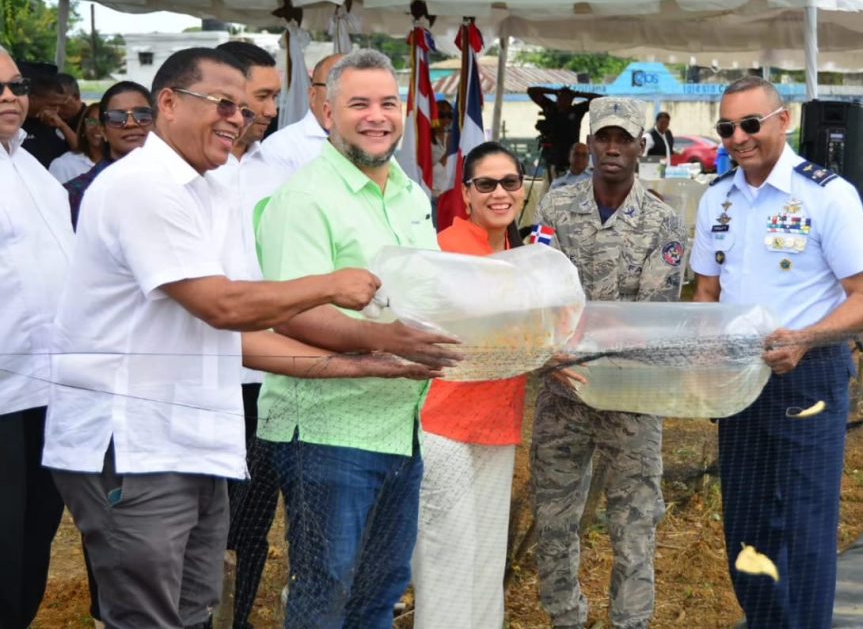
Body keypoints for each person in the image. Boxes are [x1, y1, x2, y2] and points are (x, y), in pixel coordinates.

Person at [42, 47, 432, 629]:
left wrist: (375, 363)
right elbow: (223, 306)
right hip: (131, 443)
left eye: (244, 110)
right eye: (221, 104)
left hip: (197, 440)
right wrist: (329, 284)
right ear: (167, 103)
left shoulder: (220, 184)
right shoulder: (142, 185)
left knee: (197, 611)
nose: (236, 119)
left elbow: (247, 335)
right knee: (145, 618)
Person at [254, 48, 462, 628]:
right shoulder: (303, 198)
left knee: (382, 591)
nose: (378, 116)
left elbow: (429, 293)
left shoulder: (411, 194)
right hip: (327, 428)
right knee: (327, 588)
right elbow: (292, 315)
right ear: (325, 112)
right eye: (359, 103)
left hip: (402, 425)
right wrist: (393, 340)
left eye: (389, 103)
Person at [692, 76, 863, 629]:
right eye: (727, 128)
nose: (738, 139)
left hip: (808, 377)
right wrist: (705, 366)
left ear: (784, 120)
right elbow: (706, 294)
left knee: (804, 526)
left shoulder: (827, 195)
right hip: (740, 379)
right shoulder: (716, 199)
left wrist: (805, 338)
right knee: (747, 526)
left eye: (751, 124)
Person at [531, 97, 686, 629]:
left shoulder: (664, 222)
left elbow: (647, 316)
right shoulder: (556, 208)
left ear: (643, 146)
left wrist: (572, 331)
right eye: (604, 138)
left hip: (631, 396)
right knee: (553, 522)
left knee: (634, 527)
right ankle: (566, 618)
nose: (613, 148)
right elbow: (539, 289)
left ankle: (630, 623)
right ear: (589, 144)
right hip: (563, 391)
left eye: (624, 139)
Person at [411, 142, 539, 628]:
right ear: (466, 194)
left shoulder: (521, 256)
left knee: (486, 560)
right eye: (486, 184)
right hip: (443, 425)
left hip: (497, 425)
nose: (500, 193)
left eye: (510, 182)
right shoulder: (443, 248)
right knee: (446, 556)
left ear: (523, 189)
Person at [207, 40, 283, 629]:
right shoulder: (190, 173)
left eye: (273, 99)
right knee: (199, 515)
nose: (266, 111)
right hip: (201, 374)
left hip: (264, 376)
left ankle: (236, 616)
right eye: (260, 96)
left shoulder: (279, 170)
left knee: (251, 516)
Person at [0, 45, 74, 629]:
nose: (9, 95)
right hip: (1, 395)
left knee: (33, 537)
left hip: (51, 392)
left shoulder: (34, 168)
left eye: (16, 84)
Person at [241, 52, 343, 209]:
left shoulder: (373, 143)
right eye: (336, 88)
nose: (272, 111)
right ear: (313, 95)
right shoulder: (280, 148)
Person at [62, 81, 153, 228]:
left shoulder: (183, 180)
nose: (130, 123)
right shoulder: (77, 194)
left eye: (142, 115)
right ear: (103, 130)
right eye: (117, 117)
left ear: (156, 123)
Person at [528, 85, 601, 176]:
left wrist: (577, 94)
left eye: (567, 99)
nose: (563, 101)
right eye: (561, 98)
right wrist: (554, 91)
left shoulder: (577, 110)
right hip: (552, 154)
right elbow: (531, 91)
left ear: (571, 100)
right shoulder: (551, 107)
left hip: (570, 153)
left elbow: (599, 100)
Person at [21, 73, 71, 167]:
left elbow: (80, 151)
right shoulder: (17, 122)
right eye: (52, 105)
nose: (56, 110)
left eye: (59, 105)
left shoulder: (56, 122)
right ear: (32, 99)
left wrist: (62, 126)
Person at [48, 103, 103, 184]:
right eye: (91, 121)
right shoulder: (64, 165)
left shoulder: (125, 163)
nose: (97, 128)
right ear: (83, 128)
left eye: (103, 122)